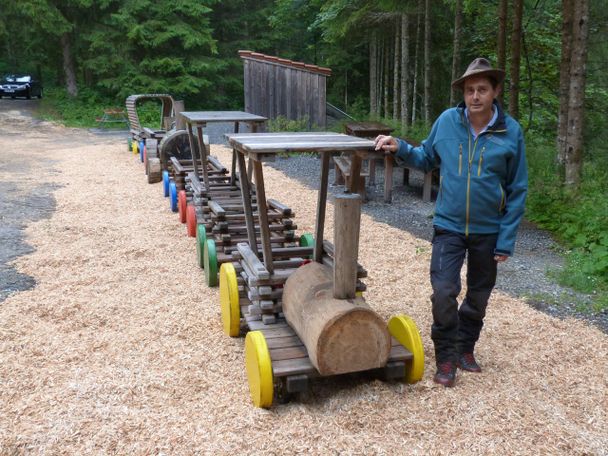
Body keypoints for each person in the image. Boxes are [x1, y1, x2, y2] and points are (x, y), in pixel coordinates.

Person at [374, 57, 528, 387]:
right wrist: (399, 146)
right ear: (464, 92)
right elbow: (426, 157)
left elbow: (517, 188)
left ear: (495, 91)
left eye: (482, 89)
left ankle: (464, 348)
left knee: (479, 294)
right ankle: (445, 358)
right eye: (470, 90)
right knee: (443, 292)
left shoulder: (510, 132)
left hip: (489, 230)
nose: (475, 96)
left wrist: (506, 239)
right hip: (449, 225)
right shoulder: (447, 122)